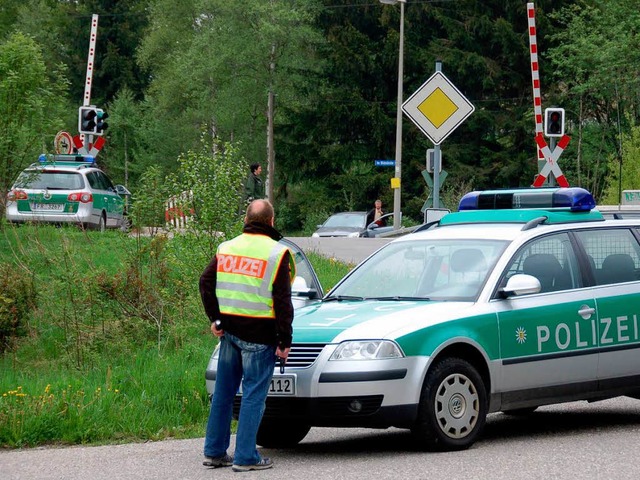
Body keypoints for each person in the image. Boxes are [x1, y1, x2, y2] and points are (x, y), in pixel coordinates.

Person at [199, 199, 295, 472]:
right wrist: (285, 340)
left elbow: (205, 281)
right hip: (260, 337)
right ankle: (245, 457)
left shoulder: (226, 248)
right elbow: (283, 302)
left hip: (229, 333)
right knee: (253, 395)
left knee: (223, 393)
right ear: (272, 222)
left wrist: (215, 318)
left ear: (246, 218)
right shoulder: (277, 253)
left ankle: (215, 452)